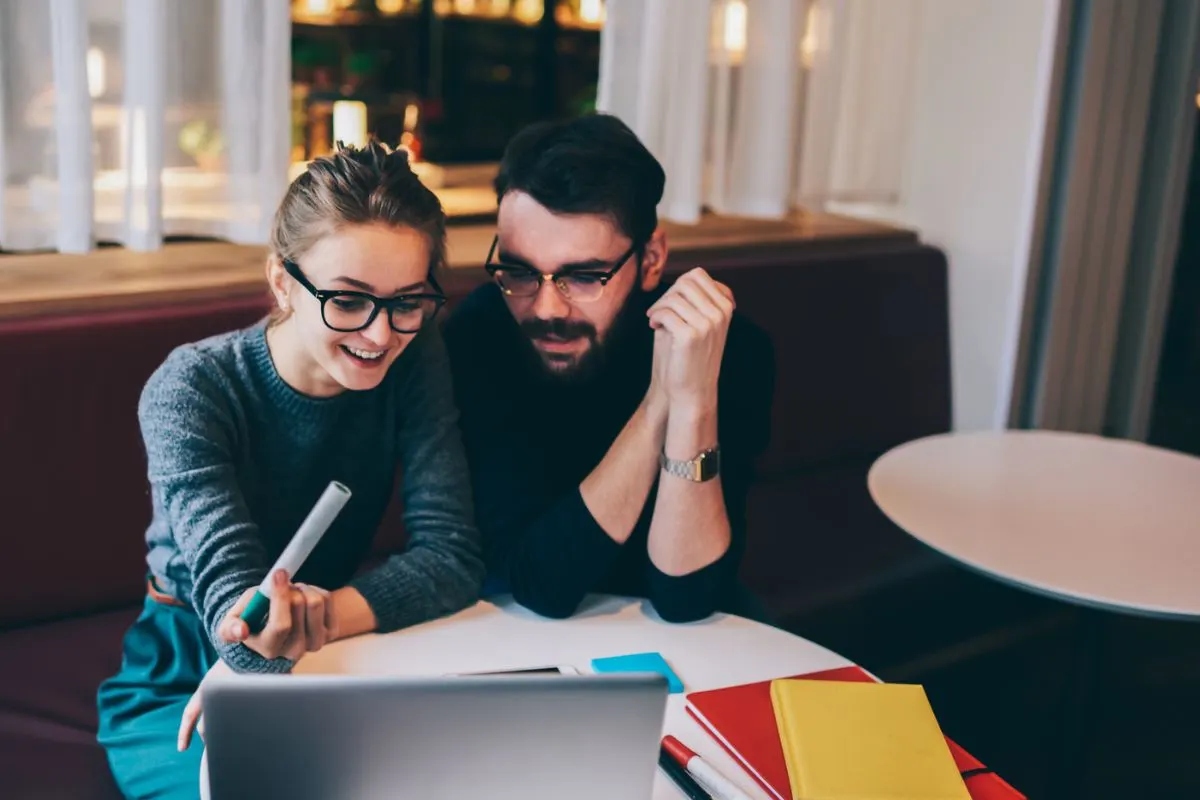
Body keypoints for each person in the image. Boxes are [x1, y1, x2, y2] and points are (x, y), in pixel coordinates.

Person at [96, 142, 485, 800]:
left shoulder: (414, 359)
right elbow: (238, 625)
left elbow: (453, 557)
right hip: (180, 667)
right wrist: (257, 647)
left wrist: (321, 621)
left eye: (407, 302)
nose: (379, 335)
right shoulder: (192, 388)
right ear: (283, 281)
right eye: (347, 299)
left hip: (338, 645)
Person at [443, 114, 774, 623]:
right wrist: (660, 401)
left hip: (681, 638)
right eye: (520, 271)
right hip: (518, 626)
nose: (547, 308)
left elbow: (688, 597)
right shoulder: (479, 336)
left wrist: (693, 401)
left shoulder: (726, 345)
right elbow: (539, 582)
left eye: (584, 276)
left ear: (652, 259)